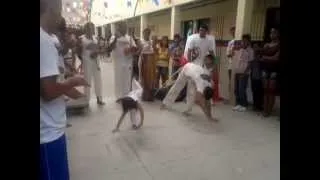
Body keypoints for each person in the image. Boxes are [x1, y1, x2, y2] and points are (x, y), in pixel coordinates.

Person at [40, 0, 89, 179]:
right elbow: (48, 91)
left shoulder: (46, 39)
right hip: (48, 133)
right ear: (52, 9)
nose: (60, 18)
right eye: (60, 12)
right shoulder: (44, 41)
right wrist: (72, 82)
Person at [161, 55, 216, 122]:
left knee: (191, 92)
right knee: (177, 87)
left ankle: (187, 110)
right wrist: (207, 115)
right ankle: (165, 103)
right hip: (186, 69)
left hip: (194, 74)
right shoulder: (201, 84)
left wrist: (210, 116)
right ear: (203, 91)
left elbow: (208, 101)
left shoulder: (210, 84)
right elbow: (198, 101)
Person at [78, 22, 105, 105]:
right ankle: (86, 100)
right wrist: (82, 60)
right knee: (87, 81)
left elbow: (99, 49)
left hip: (96, 62)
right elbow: (78, 52)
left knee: (98, 80)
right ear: (85, 29)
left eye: (92, 28)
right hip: (87, 62)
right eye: (89, 28)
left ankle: (99, 98)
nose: (91, 30)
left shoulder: (95, 38)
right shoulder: (81, 39)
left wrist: (98, 52)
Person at [108, 21, 137, 99]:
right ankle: (119, 97)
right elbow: (110, 48)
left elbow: (134, 48)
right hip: (118, 62)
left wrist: (131, 49)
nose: (125, 28)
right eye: (123, 26)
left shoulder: (129, 37)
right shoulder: (114, 37)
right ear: (119, 27)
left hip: (128, 61)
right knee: (119, 78)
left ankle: (126, 95)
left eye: (125, 26)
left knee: (127, 79)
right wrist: (115, 39)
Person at [257, 28, 280, 117]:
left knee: (271, 91)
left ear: (278, 34)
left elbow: (276, 58)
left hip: (275, 70)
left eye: (274, 32)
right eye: (271, 32)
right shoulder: (266, 45)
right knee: (265, 91)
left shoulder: (279, 45)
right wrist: (265, 57)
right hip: (265, 69)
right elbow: (260, 55)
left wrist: (265, 58)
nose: (272, 34)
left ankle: (269, 111)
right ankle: (265, 109)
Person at [232, 34, 254, 112]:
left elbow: (250, 64)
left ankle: (244, 105)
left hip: (244, 73)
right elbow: (236, 59)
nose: (243, 42)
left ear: (248, 41)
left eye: (245, 41)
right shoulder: (240, 50)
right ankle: (238, 104)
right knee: (237, 89)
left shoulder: (250, 50)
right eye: (243, 41)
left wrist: (244, 73)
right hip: (237, 71)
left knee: (242, 89)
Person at [138, 28, 156, 101]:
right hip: (144, 61)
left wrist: (153, 43)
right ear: (143, 33)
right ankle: (145, 95)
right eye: (145, 33)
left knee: (151, 78)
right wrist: (149, 44)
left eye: (148, 33)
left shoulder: (152, 41)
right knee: (144, 77)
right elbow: (141, 50)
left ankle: (150, 96)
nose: (147, 34)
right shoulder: (141, 41)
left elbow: (154, 50)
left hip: (151, 62)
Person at [226, 26, 236, 98]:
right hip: (230, 64)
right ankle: (230, 97)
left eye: (234, 31)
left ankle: (235, 98)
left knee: (236, 82)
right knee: (230, 81)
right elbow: (228, 54)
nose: (233, 32)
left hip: (238, 66)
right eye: (232, 31)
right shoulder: (230, 42)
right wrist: (231, 53)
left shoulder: (239, 42)